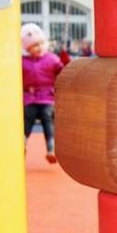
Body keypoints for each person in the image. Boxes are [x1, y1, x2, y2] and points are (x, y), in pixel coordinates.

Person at [21, 23, 70, 163]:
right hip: (29, 98)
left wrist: (65, 59)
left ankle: (51, 147)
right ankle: (22, 143)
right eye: (34, 45)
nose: (39, 47)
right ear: (27, 48)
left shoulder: (51, 59)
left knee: (47, 117)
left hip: (47, 97)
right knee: (28, 117)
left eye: (41, 44)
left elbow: (64, 71)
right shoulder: (22, 62)